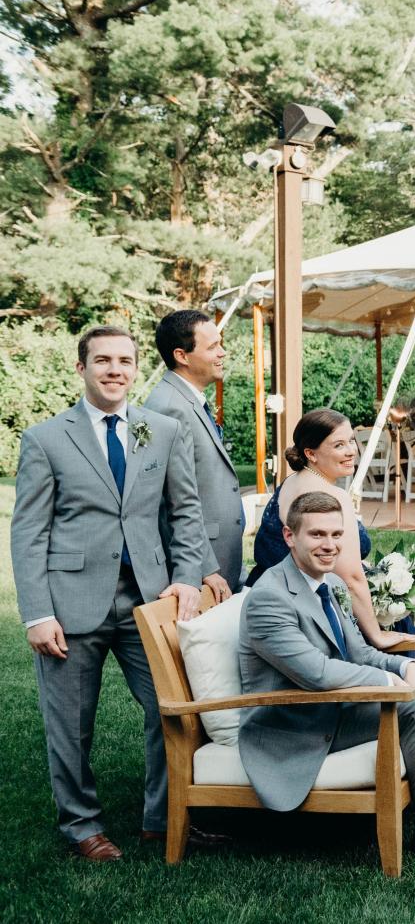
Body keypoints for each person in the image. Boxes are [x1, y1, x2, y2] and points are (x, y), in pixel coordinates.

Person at [239, 491, 415, 870]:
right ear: (290, 537)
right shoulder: (270, 598)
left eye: (336, 535)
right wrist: (394, 684)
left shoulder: (331, 585)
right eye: (317, 535)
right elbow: (317, 673)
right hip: (298, 722)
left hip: (340, 704)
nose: (330, 545)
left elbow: (358, 654)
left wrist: (404, 667)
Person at [12, 325, 208, 861]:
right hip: (71, 602)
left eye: (124, 360)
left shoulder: (162, 430)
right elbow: (29, 533)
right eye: (103, 360)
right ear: (82, 368)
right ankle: (81, 825)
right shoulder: (46, 438)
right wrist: (37, 615)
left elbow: (186, 513)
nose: (115, 370)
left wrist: (187, 577)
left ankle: (161, 816)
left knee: (171, 710)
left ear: (136, 367)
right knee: (71, 725)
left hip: (148, 600)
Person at [246, 409, 415, 648]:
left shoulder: (290, 483)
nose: (351, 451)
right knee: (405, 622)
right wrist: (377, 635)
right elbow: (351, 579)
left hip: (264, 592)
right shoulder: (333, 496)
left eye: (351, 441)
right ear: (310, 453)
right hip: (307, 615)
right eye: (339, 445)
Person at [143, 309, 245, 598]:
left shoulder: (189, 401)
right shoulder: (169, 407)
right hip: (201, 568)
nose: (222, 352)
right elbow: (170, 501)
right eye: (212, 346)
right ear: (182, 355)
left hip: (220, 558)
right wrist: (203, 568)